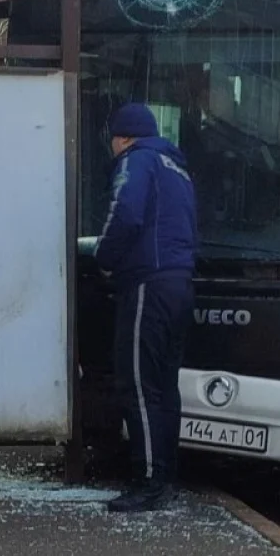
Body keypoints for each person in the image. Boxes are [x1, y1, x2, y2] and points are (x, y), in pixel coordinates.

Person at [94, 102, 198, 513]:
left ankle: (147, 482)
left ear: (123, 137)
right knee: (164, 387)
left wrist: (103, 258)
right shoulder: (178, 168)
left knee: (136, 384)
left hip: (147, 286)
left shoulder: (136, 161)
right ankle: (164, 476)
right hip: (178, 284)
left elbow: (126, 214)